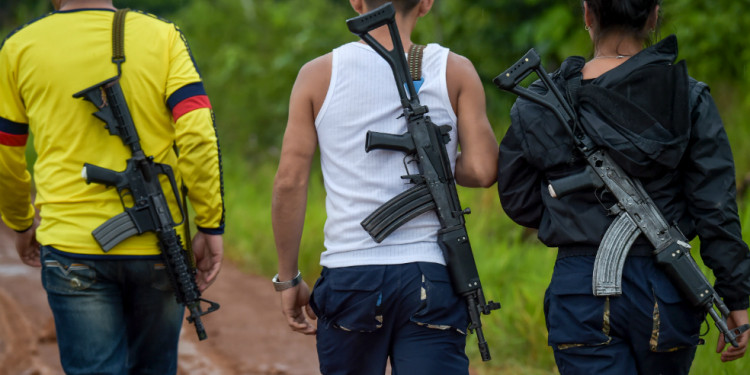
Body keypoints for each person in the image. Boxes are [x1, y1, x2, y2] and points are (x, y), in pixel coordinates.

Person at [497, 0, 750, 373]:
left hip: (580, 290)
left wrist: (576, 219)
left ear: (587, 15)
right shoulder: (687, 96)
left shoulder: (545, 103)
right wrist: (737, 297)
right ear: (653, 16)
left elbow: (517, 198)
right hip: (663, 293)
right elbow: (716, 208)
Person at [271, 0, 498, 373]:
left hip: (352, 277)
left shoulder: (317, 74)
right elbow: (482, 170)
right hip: (433, 276)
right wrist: (440, 160)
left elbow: (289, 181)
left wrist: (288, 278)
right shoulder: (456, 70)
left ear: (357, 2)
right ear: (426, 4)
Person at [0, 0, 225, 373]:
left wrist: (20, 223)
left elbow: (6, 153)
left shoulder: (19, 46)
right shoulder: (163, 36)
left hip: (73, 248)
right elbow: (198, 135)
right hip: (158, 247)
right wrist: (209, 222)